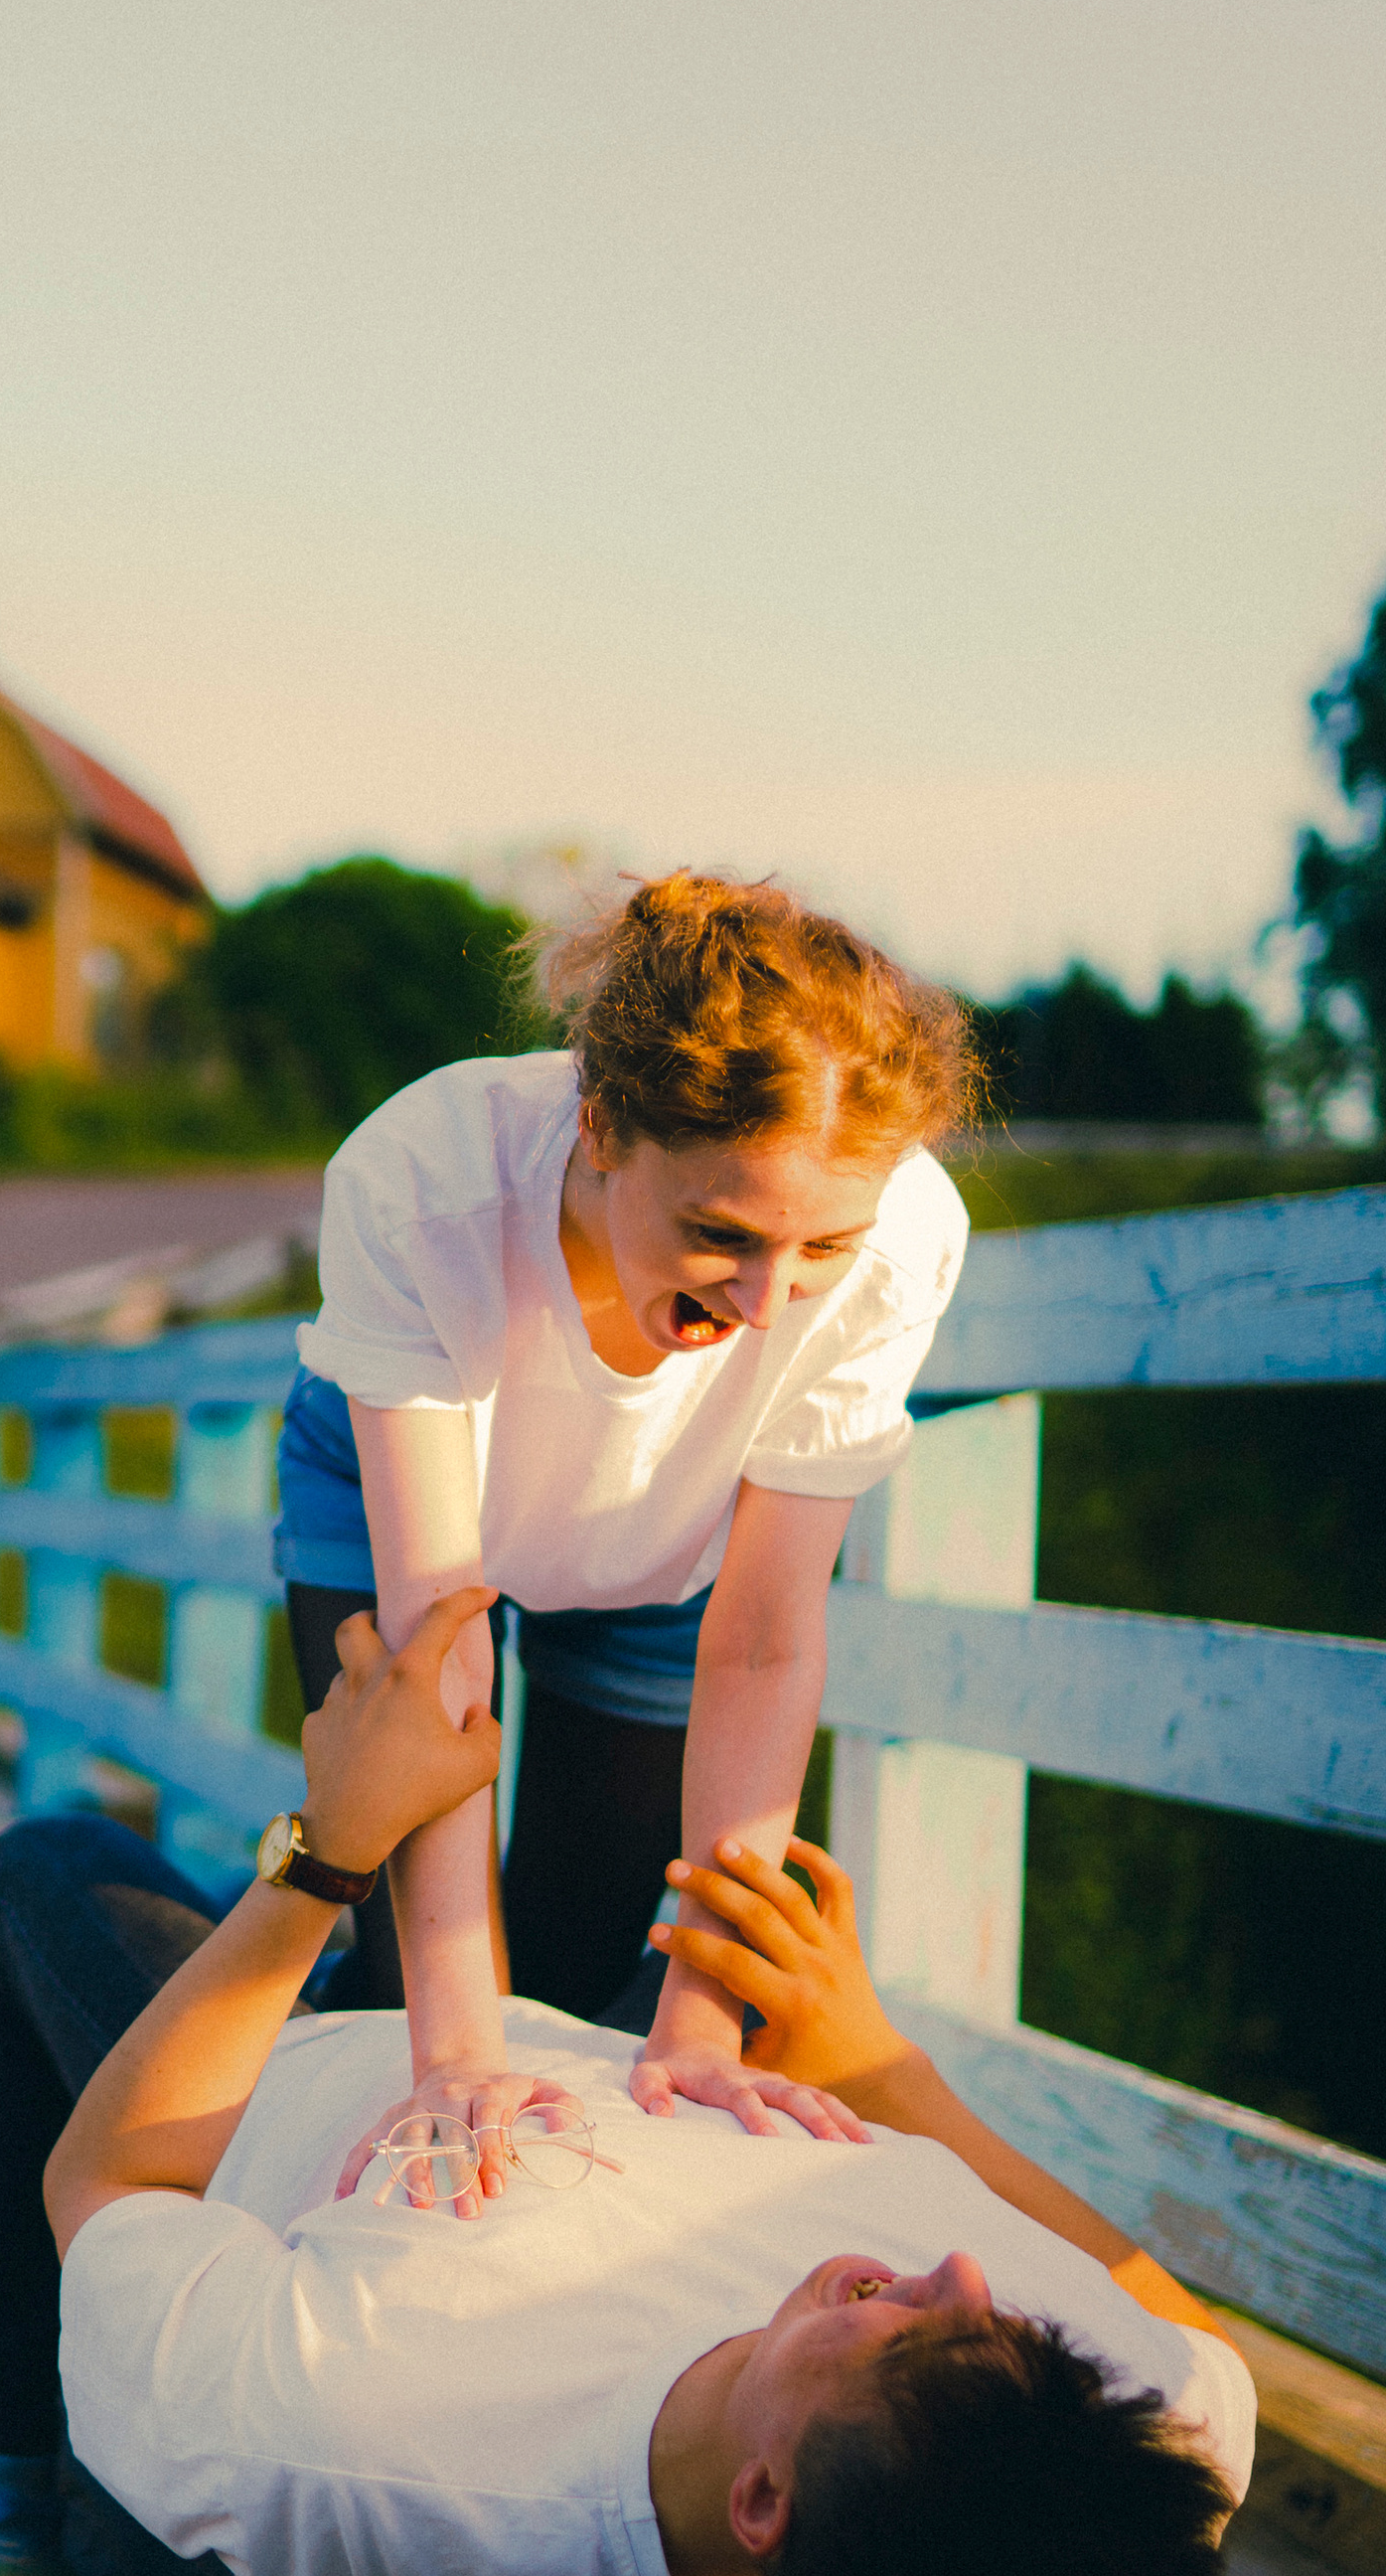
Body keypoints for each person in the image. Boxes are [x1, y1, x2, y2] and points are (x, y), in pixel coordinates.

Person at [0, 1596, 1251, 2576]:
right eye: (1017, 2329)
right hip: (627, 2050)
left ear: (762, 2505)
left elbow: (108, 2181)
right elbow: (1188, 2340)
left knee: (51, 1866)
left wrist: (327, 1854)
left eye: (912, 2333)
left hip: (267, 2078)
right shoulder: (1087, 2435)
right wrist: (881, 2067)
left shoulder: (357, 2429)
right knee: (636, 1653)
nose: (964, 2277)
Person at [275, 867, 975, 2183]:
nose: (769, 1302)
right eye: (721, 1233)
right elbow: (439, 1648)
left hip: (668, 1534)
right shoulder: (421, 1178)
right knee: (410, 1989)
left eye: (823, 1250)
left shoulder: (906, 1237)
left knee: (573, 1963)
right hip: (403, 1519)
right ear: (601, 1128)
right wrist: (455, 2054)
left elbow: (764, 1640)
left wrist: (703, 2024)